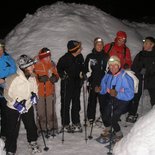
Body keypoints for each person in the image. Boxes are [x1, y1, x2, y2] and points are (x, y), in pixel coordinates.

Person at [4, 54, 41, 155]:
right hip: (13, 108)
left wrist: (34, 95)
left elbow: (35, 89)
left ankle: (32, 141)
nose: (33, 67)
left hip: (27, 106)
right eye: (31, 65)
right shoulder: (13, 78)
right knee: (12, 129)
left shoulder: (32, 77)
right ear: (24, 67)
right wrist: (16, 104)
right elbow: (7, 94)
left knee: (31, 125)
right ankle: (10, 149)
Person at [96, 55, 134, 144]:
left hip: (124, 101)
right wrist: (100, 90)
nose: (113, 67)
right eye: (111, 65)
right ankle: (108, 130)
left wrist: (117, 94)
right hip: (112, 98)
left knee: (114, 119)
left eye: (115, 65)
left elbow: (130, 94)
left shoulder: (125, 77)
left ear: (119, 65)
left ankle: (119, 135)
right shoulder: (107, 76)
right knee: (105, 115)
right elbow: (104, 89)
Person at [57, 40, 84, 133]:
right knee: (65, 104)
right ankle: (65, 124)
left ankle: (76, 122)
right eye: (79, 48)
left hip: (77, 84)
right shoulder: (64, 59)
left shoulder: (80, 57)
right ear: (74, 50)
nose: (81, 49)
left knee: (76, 104)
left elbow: (82, 69)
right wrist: (62, 75)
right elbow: (59, 68)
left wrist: (83, 75)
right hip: (67, 84)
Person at [126, 36, 155, 123]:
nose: (144, 44)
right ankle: (132, 113)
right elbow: (134, 67)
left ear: (152, 45)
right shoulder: (140, 55)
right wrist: (139, 71)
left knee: (154, 98)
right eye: (144, 43)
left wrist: (149, 71)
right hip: (141, 79)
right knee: (136, 97)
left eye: (147, 43)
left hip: (152, 80)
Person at [34, 47, 59, 135]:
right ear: (41, 57)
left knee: (51, 111)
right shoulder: (36, 65)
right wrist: (39, 79)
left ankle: (53, 127)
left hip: (50, 92)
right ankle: (42, 128)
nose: (48, 58)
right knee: (41, 112)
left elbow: (56, 74)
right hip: (39, 93)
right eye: (46, 57)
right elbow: (31, 77)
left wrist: (55, 77)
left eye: (49, 56)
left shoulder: (52, 65)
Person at [84, 37, 109, 124]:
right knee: (92, 100)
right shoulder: (90, 57)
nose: (99, 46)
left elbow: (108, 70)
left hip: (103, 83)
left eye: (101, 44)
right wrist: (87, 77)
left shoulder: (106, 56)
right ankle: (91, 117)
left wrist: (105, 82)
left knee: (103, 101)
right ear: (94, 45)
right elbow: (86, 70)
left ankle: (104, 117)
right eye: (97, 44)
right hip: (92, 82)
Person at [0, 39, 17, 141]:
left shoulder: (8, 59)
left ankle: (4, 134)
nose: (0, 51)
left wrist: (4, 79)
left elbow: (13, 71)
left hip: (4, 91)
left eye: (1, 49)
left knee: (5, 114)